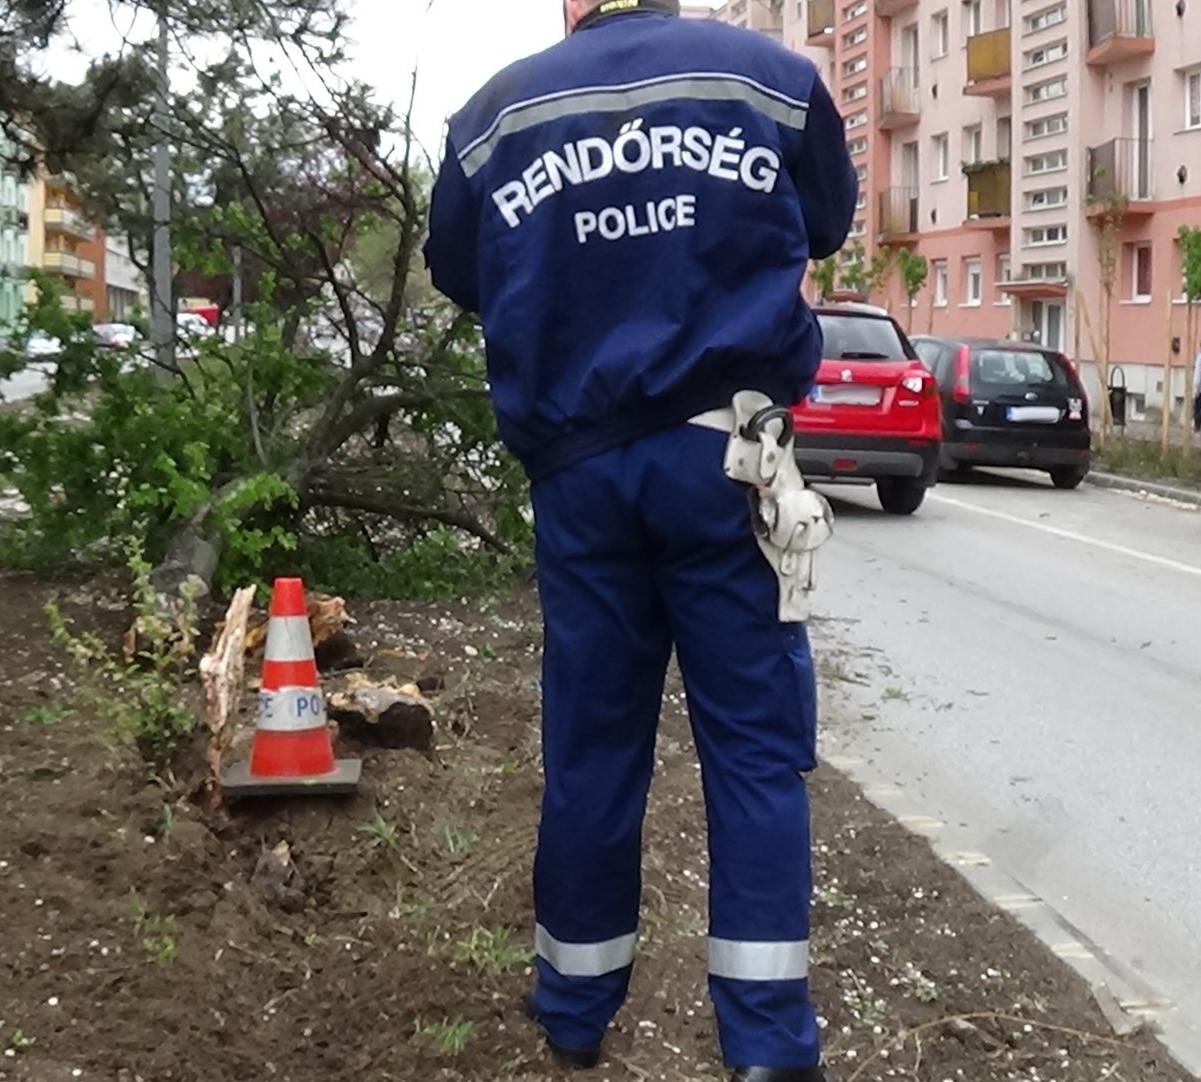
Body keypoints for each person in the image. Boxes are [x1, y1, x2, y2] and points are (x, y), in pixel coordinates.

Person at [423, 2, 855, 1080]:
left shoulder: (492, 119)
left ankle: (573, 1008)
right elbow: (829, 219)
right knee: (754, 748)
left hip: (578, 474)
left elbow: (458, 267)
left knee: (591, 745)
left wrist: (576, 262)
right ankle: (765, 1043)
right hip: (726, 462)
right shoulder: (771, 80)